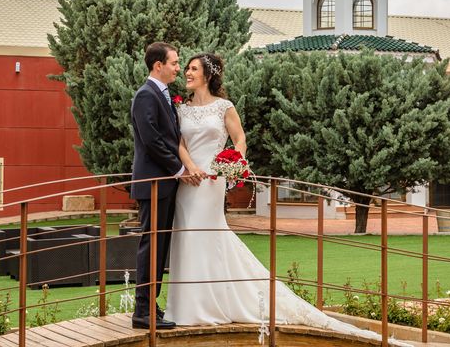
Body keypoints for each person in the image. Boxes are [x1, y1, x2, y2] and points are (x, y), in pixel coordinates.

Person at [164, 53, 409, 345]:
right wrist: (190, 167)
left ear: (208, 75)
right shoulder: (181, 108)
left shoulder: (224, 107)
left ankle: (212, 303)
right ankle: (189, 306)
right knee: (188, 237)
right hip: (189, 181)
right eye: (187, 68)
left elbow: (239, 139)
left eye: (193, 69)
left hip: (213, 181)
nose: (187, 73)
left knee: (209, 235)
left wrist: (232, 163)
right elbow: (177, 143)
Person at [130, 42, 196, 330]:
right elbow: (152, 140)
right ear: (158, 65)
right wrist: (180, 169)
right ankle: (141, 311)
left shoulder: (163, 96)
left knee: (160, 246)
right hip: (154, 183)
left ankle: (150, 306)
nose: (178, 68)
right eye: (174, 63)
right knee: (151, 245)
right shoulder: (146, 95)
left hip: (164, 184)